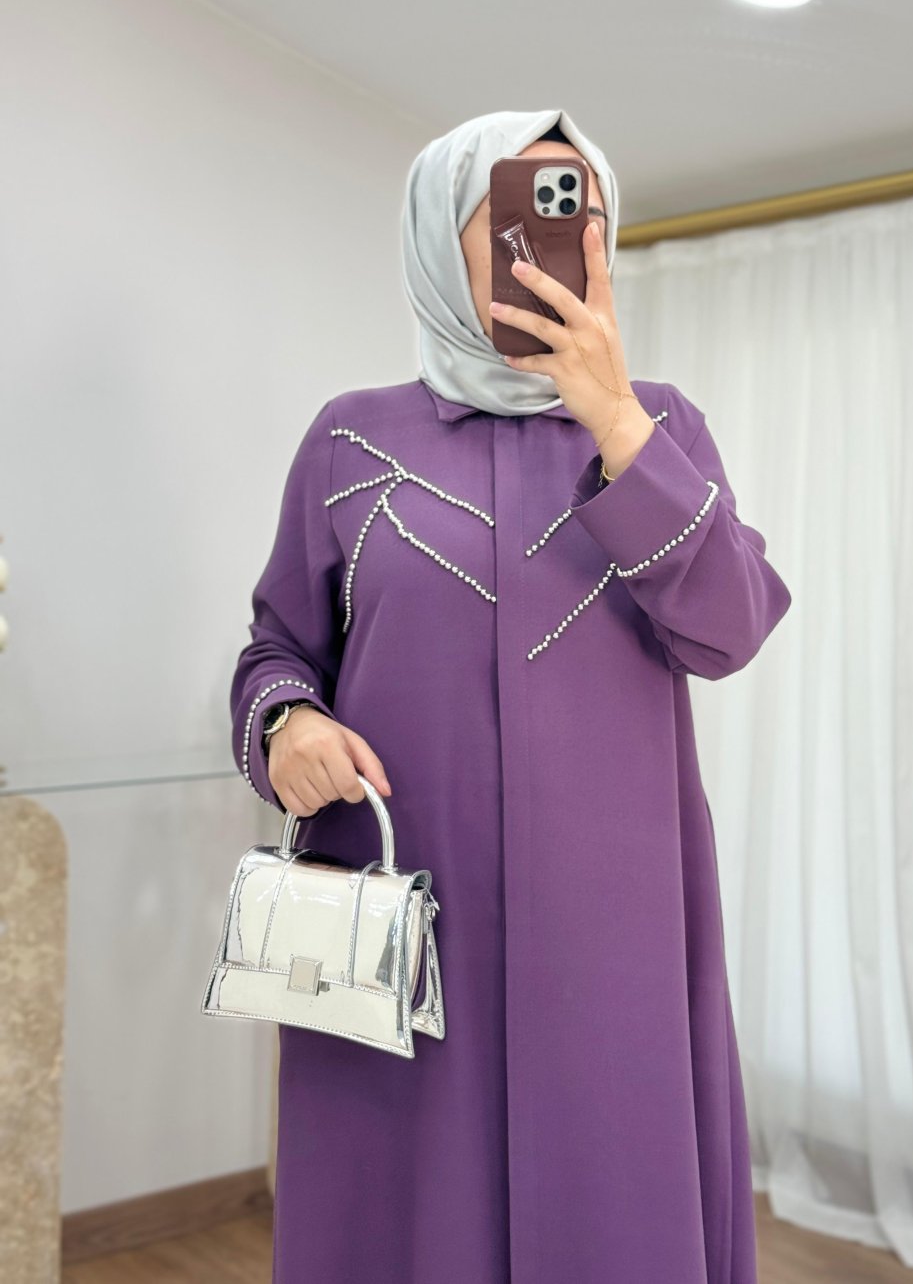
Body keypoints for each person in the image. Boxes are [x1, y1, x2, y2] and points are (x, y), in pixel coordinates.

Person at [230, 108, 792, 1284]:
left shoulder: (662, 425)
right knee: (401, 1218)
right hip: (399, 921)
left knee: (614, 1203)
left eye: (579, 217)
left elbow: (730, 630)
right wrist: (287, 723)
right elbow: (276, 648)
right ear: (445, 237)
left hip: (614, 930)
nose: (552, 248)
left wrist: (615, 419)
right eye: (514, 220)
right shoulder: (349, 440)